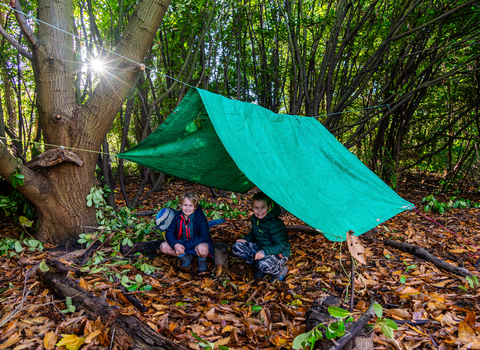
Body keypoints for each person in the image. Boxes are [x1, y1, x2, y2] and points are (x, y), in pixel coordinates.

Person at [232, 192, 290, 281]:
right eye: (256, 207)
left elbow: (281, 246)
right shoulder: (255, 218)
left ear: (269, 207)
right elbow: (254, 232)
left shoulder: (275, 224)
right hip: (261, 247)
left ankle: (280, 270)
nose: (259, 211)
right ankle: (258, 265)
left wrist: (264, 252)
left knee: (264, 264)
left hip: (279, 253)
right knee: (237, 247)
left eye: (263, 207)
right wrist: (245, 239)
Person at [160, 192, 214, 273]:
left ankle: (202, 261)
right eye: (185, 205)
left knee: (202, 249)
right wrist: (175, 244)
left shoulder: (200, 217)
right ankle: (186, 257)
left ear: (195, 207)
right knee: (163, 247)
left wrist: (184, 246)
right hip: (182, 243)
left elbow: (204, 236)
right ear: (181, 205)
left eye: (191, 205)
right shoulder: (178, 216)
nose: (188, 208)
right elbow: (170, 232)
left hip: (197, 244)